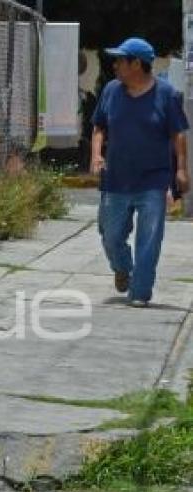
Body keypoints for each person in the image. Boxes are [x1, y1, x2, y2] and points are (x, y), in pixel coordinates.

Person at [91, 37, 189, 307]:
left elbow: (178, 134)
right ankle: (122, 266)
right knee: (110, 236)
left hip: (153, 179)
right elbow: (99, 127)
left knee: (150, 239)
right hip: (116, 179)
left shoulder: (166, 95)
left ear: (137, 64)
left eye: (120, 60)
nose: (115, 65)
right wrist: (96, 154)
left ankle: (140, 291)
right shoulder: (111, 90)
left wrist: (181, 169)